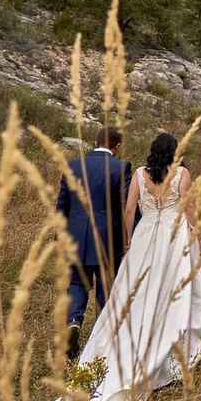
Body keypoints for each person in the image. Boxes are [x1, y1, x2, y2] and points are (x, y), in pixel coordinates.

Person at [37, 133, 201, 401]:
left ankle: (92, 326)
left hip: (141, 240)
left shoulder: (139, 174)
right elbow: (189, 209)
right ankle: (177, 343)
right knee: (177, 291)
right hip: (173, 238)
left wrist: (130, 241)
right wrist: (199, 234)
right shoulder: (181, 174)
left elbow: (129, 210)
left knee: (128, 292)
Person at [57, 127, 132, 360]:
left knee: (77, 284)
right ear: (116, 146)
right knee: (106, 288)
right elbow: (126, 207)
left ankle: (73, 322)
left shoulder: (72, 166)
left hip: (75, 236)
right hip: (107, 238)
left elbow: (61, 206)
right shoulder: (120, 168)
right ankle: (102, 339)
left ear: (95, 142)